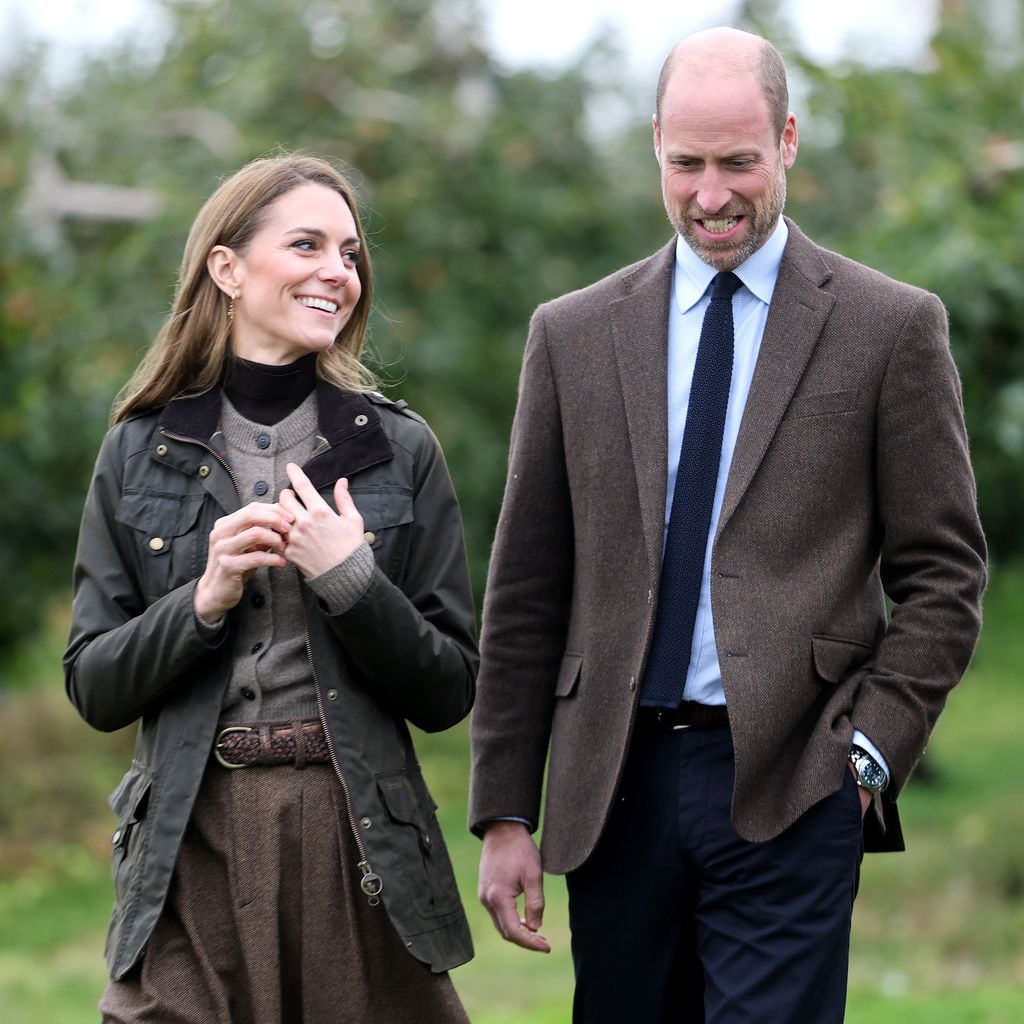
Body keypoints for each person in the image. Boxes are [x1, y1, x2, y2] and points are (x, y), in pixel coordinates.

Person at [469, 26, 986, 1023]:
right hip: (612, 786)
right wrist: (503, 807)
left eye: (739, 162)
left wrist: (866, 758)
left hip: (794, 781)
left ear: (787, 140)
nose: (712, 195)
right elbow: (526, 586)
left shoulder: (889, 327)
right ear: (655, 145)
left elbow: (945, 575)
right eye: (687, 164)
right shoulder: (570, 335)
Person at [65, 154, 477, 1024]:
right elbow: (94, 686)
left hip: (353, 838)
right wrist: (202, 601)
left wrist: (353, 581)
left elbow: (449, 690)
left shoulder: (401, 450)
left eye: (350, 254)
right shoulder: (137, 452)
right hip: (190, 839)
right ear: (227, 268)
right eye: (307, 245)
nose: (340, 272)